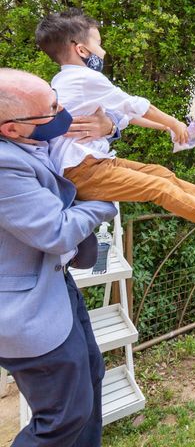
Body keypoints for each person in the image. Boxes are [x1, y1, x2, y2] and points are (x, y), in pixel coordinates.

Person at [36, 8, 195, 236]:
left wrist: (164, 126)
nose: (103, 52)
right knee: (158, 187)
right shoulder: (84, 78)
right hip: (81, 171)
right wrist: (173, 123)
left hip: (94, 164)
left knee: (160, 173)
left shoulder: (66, 80)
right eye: (99, 44)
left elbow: (126, 116)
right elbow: (137, 105)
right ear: (81, 49)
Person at [0, 68, 118, 446]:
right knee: (62, 418)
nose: (62, 112)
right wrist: (108, 197)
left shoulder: (33, 137)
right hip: (27, 307)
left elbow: (93, 134)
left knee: (92, 377)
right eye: (51, 110)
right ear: (11, 128)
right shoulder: (4, 165)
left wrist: (109, 126)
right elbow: (57, 231)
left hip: (57, 284)